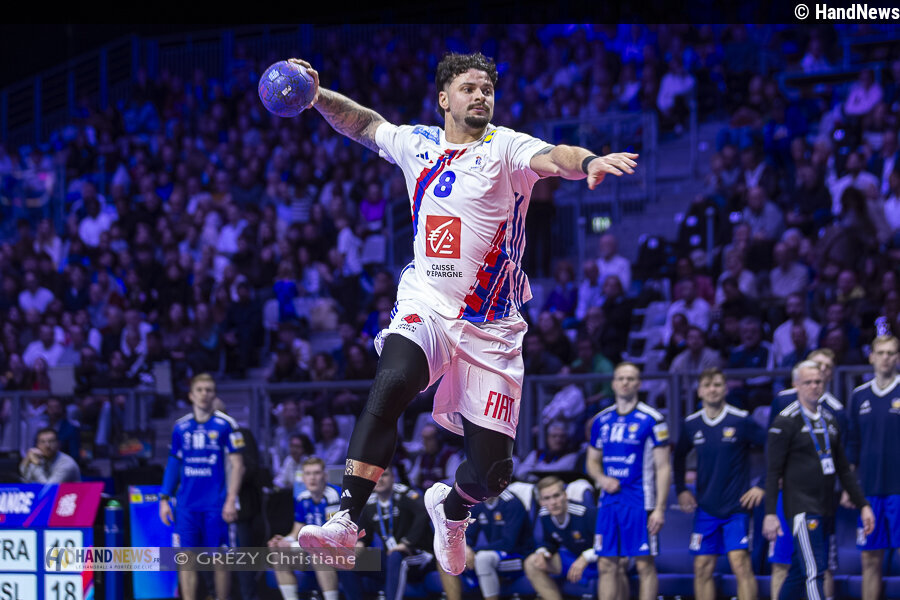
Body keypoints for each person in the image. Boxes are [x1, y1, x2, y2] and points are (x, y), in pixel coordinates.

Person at [289, 51, 638, 578]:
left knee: (493, 474)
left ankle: (451, 510)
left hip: (491, 326)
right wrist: (317, 97)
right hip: (427, 305)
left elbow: (557, 156)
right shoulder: (418, 144)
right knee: (392, 382)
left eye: (487, 89)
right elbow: (364, 124)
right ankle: (346, 519)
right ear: (444, 99)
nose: (480, 96)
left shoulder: (506, 148)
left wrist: (588, 162)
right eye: (469, 88)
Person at [763, 360, 874, 600]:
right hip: (801, 508)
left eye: (818, 382)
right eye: (808, 382)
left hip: (825, 507)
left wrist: (863, 504)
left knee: (797, 572)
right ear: (796, 385)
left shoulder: (829, 420)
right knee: (814, 570)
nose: (814, 386)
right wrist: (770, 513)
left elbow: (843, 469)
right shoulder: (785, 421)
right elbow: (773, 471)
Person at [673, 368, 766, 600]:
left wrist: (762, 484)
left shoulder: (741, 419)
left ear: (725, 389)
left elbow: (773, 447)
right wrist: (681, 489)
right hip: (706, 507)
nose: (712, 390)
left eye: (717, 385)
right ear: (699, 391)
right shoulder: (691, 423)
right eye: (707, 385)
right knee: (702, 567)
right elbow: (678, 457)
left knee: (740, 564)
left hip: (737, 507)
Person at [586, 362, 671, 600]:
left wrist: (660, 509)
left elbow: (664, 467)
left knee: (644, 564)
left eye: (631, 378)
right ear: (613, 383)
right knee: (606, 564)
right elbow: (591, 461)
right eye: (621, 378)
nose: (625, 382)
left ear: (639, 384)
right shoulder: (601, 420)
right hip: (609, 502)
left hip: (641, 502)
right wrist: (602, 478)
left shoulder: (653, 419)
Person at [766, 348, 845, 600]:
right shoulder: (782, 404)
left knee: (808, 566)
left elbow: (842, 459)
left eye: (825, 369)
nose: (818, 376)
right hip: (791, 497)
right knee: (802, 565)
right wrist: (769, 508)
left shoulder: (835, 411)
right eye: (815, 368)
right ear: (799, 379)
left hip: (823, 500)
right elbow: (772, 457)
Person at [158, 373, 245, 600]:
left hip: (216, 504)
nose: (204, 394)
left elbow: (238, 465)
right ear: (191, 395)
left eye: (209, 390)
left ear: (214, 394)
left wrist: (231, 500)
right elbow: (173, 462)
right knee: (186, 559)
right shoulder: (180, 427)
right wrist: (164, 498)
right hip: (186, 505)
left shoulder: (227, 425)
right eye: (199, 390)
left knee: (220, 559)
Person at [846, 334, 900, 600]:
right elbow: (852, 443)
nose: (885, 358)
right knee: (869, 559)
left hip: (899, 489)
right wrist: (849, 487)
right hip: (868, 491)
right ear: (871, 357)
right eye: (881, 353)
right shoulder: (859, 396)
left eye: (891, 353)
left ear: (897, 357)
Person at [268, 456, 348, 600]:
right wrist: (284, 541)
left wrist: (296, 544)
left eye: (316, 473)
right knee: (278, 553)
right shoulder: (302, 498)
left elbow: (332, 535)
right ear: (303, 478)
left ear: (325, 476)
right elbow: (296, 531)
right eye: (308, 474)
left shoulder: (333, 495)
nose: (312, 478)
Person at [439, 487, 533, 600]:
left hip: (518, 556)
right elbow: (468, 534)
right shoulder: (478, 503)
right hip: (494, 555)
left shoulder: (512, 502)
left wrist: (473, 551)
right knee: (447, 558)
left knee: (483, 559)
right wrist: (465, 547)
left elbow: (508, 543)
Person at [356, 467, 433, 600]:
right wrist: (359, 545)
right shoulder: (370, 503)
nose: (379, 480)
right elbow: (365, 535)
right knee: (348, 560)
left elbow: (424, 512)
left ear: (393, 478)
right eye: (374, 476)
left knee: (396, 556)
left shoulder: (404, 494)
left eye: (384, 475)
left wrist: (407, 542)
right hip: (391, 557)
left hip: (419, 554)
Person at [524, 476, 598, 600]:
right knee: (532, 562)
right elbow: (550, 542)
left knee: (608, 562)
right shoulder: (544, 515)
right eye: (547, 498)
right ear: (541, 502)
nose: (553, 502)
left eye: (556, 496)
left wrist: (585, 558)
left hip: (596, 561)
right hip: (573, 559)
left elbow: (607, 544)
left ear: (565, 495)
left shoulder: (585, 513)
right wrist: (543, 552)